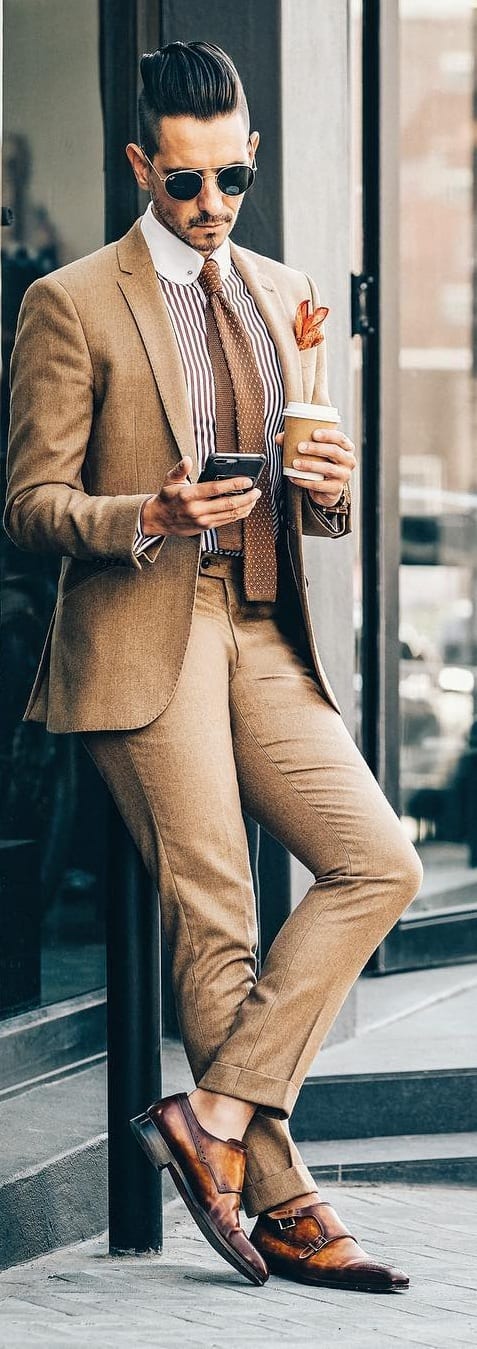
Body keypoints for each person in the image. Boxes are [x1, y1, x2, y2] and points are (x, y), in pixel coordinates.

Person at [5, 41, 423, 1294]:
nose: (212, 206)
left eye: (232, 178)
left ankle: (217, 1116)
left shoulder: (283, 291)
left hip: (259, 627)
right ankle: (290, 1209)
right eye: (186, 184)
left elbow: (312, 478)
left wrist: (335, 495)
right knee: (220, 908)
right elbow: (28, 504)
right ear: (142, 166)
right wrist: (152, 509)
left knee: (379, 859)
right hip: (144, 628)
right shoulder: (72, 302)